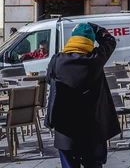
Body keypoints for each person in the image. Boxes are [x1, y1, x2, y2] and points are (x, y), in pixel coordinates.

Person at [46, 23, 121, 167]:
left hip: (65, 129)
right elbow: (110, 40)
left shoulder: (57, 60)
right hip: (93, 129)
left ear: (72, 39)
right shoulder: (96, 58)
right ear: (90, 42)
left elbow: (50, 80)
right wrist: (94, 27)